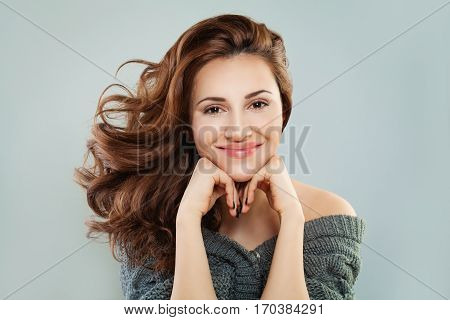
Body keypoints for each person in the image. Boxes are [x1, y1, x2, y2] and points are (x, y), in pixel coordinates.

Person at [74, 13, 367, 300]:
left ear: (284, 111)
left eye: (258, 104)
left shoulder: (330, 216)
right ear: (188, 123)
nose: (238, 130)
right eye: (214, 109)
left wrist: (292, 219)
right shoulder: (147, 218)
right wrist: (187, 219)